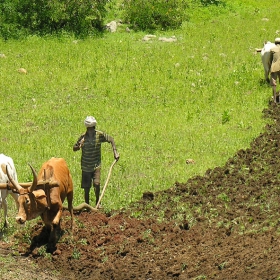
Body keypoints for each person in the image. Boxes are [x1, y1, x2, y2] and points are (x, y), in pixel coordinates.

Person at [73, 116, 119, 207]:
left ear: (94, 128)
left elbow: (111, 139)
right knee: (86, 188)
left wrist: (115, 151)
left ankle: (98, 202)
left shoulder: (99, 135)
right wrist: (79, 146)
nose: (90, 131)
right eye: (89, 129)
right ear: (87, 128)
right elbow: (74, 148)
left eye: (92, 129)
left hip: (96, 165)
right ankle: (87, 205)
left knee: (96, 184)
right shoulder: (83, 137)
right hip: (86, 167)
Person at [270, 38, 280, 103]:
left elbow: (270, 59)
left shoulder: (272, 49)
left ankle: (274, 100)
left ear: (275, 43)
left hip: (275, 68)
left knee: (274, 83)